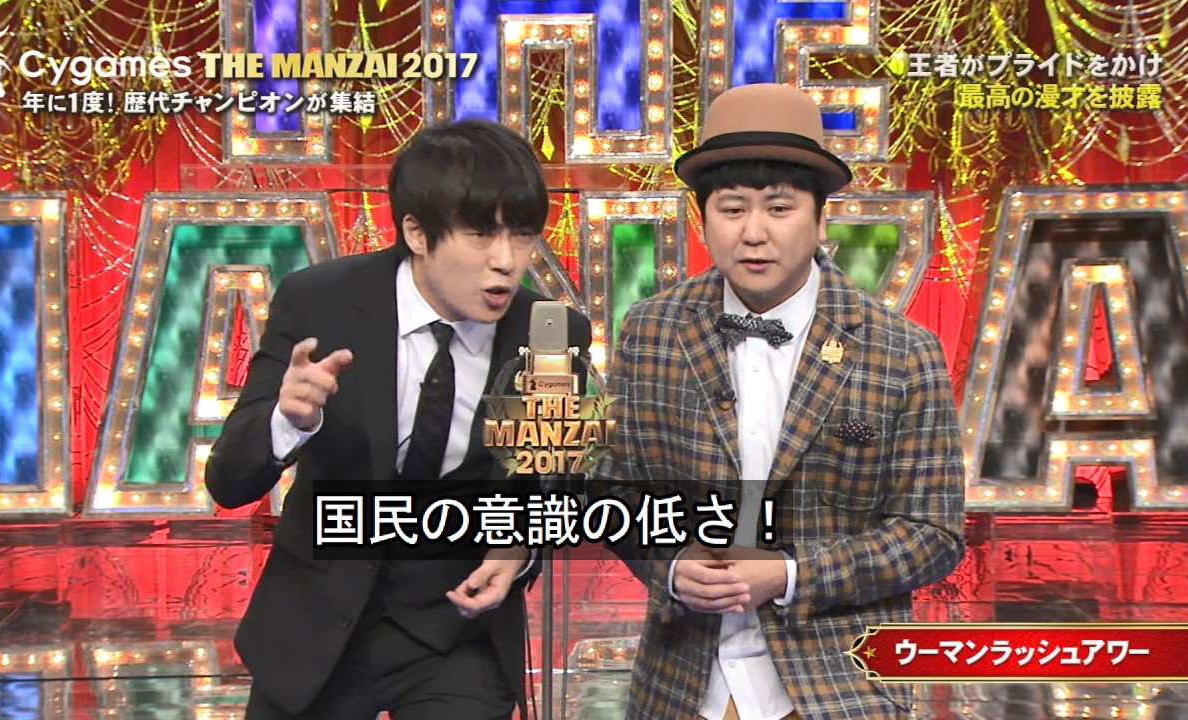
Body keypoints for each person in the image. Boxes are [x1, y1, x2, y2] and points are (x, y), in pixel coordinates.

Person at [588, 83, 966, 719]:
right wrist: (671, 564)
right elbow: (610, 485)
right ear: (703, 219)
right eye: (732, 209)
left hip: (838, 683)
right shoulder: (651, 332)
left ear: (820, 219)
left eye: (780, 208)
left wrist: (790, 576)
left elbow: (933, 533)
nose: (754, 233)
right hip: (685, 683)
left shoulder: (902, 351)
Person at [205, 118, 591, 720]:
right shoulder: (320, 303)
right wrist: (288, 420)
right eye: (479, 234)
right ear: (416, 232)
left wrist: (517, 549)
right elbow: (228, 481)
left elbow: (556, 478)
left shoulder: (550, 334)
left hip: (455, 630)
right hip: (316, 627)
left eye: (521, 235)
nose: (506, 261)